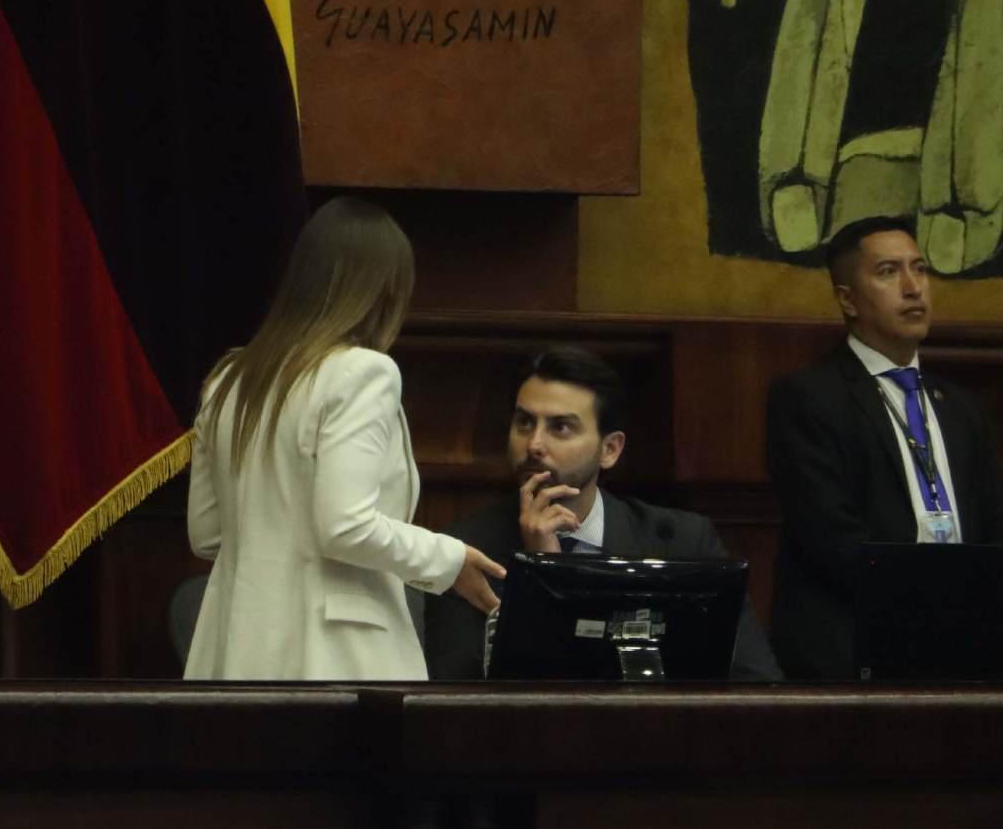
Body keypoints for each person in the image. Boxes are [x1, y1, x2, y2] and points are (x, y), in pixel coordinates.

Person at [183, 196, 504, 681]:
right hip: (335, 660)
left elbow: (207, 534)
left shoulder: (228, 379)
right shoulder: (362, 372)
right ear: (385, 292)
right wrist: (448, 558)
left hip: (233, 653)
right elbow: (345, 526)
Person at [423, 346, 782, 681]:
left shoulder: (683, 540)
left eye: (560, 427)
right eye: (525, 423)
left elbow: (757, 680)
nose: (534, 444)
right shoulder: (466, 548)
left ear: (610, 449)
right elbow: (456, 699)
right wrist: (542, 573)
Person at [767, 216, 1003, 679]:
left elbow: (994, 523)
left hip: (969, 644)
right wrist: (939, 603)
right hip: (860, 645)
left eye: (920, 269)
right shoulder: (809, 397)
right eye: (889, 272)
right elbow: (830, 539)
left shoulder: (961, 407)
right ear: (847, 299)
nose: (913, 288)